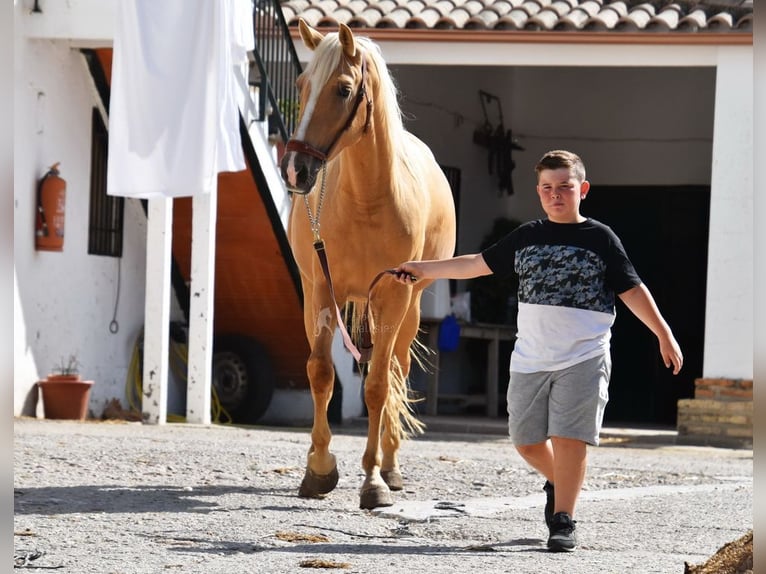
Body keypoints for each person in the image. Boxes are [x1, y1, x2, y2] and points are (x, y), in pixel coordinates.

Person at [393, 149, 683, 552]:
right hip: (531, 357)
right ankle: (561, 481)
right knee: (526, 441)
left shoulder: (601, 238)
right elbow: (476, 263)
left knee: (569, 438)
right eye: (547, 188)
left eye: (564, 187)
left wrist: (663, 334)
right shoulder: (528, 236)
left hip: (584, 355)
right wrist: (425, 268)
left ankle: (563, 519)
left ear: (582, 189)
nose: (556, 195)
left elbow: (632, 290)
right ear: (539, 192)